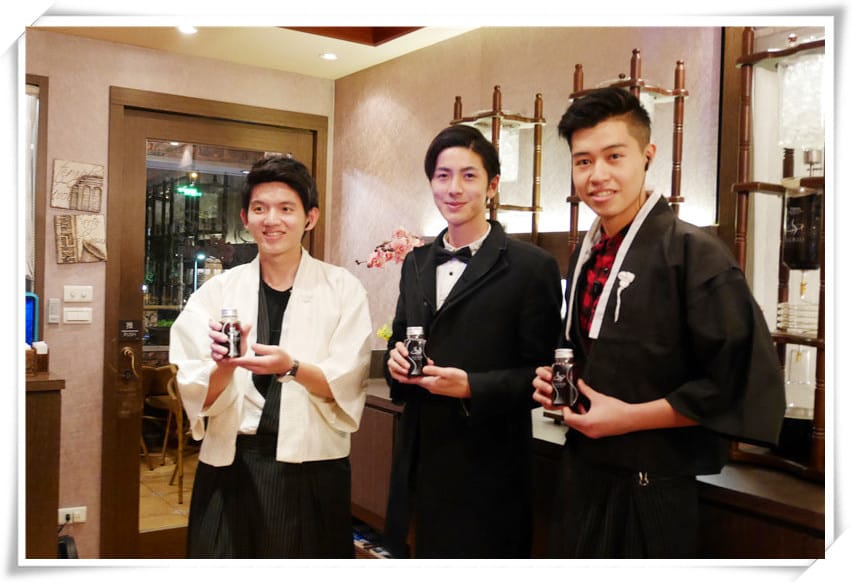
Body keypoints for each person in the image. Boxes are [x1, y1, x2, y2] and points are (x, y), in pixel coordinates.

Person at [533, 87, 786, 558]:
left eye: (614, 156)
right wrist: (561, 384)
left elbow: (735, 382)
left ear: (647, 155)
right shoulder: (588, 250)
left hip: (653, 483)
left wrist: (627, 418)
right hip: (582, 471)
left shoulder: (696, 254)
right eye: (583, 161)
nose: (597, 175)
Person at [169, 155, 373, 558]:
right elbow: (196, 393)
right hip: (232, 465)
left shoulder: (343, 289)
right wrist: (224, 368)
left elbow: (347, 382)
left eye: (286, 209)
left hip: (312, 469)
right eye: (260, 209)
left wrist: (291, 368)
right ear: (245, 218)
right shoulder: (216, 293)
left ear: (310, 218)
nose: (272, 220)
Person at [383, 124, 564, 558]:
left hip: (490, 464)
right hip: (421, 456)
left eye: (469, 175)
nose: (454, 188)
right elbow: (402, 336)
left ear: (492, 185)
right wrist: (395, 362)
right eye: (443, 176)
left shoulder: (531, 266)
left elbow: (544, 376)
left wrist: (472, 386)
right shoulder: (415, 262)